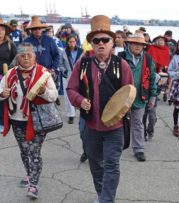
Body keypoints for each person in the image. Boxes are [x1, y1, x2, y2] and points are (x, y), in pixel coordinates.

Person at [66, 15, 134, 203]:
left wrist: (119, 112)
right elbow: (70, 89)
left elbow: (130, 94)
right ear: (91, 44)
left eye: (106, 40)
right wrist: (80, 100)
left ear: (113, 43)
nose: (101, 44)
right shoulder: (83, 64)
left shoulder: (123, 65)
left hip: (115, 128)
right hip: (91, 126)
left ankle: (106, 200)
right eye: (97, 40)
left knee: (111, 164)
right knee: (95, 164)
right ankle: (102, 195)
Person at [0, 42, 58, 199]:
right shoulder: (9, 73)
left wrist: (43, 91)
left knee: (34, 152)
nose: (26, 59)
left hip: (37, 120)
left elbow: (54, 96)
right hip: (16, 120)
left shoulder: (44, 74)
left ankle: (33, 185)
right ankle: (30, 174)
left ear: (34, 57)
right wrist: (3, 94)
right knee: (24, 151)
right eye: (22, 56)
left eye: (29, 55)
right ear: (17, 58)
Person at [119, 32, 157, 162]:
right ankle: (116, 146)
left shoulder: (148, 59)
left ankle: (139, 149)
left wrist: (153, 97)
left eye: (141, 44)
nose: (138, 46)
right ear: (129, 44)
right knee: (119, 123)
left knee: (138, 123)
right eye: (135, 43)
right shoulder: (120, 57)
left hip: (140, 96)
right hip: (122, 96)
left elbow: (152, 79)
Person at [60, 34, 83, 124]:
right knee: (67, 96)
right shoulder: (64, 52)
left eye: (73, 42)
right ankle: (70, 115)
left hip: (79, 76)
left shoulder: (81, 51)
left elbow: (85, 62)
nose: (72, 43)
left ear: (76, 42)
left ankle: (82, 111)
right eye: (70, 42)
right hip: (68, 75)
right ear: (67, 42)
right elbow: (60, 63)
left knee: (81, 94)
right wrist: (64, 71)